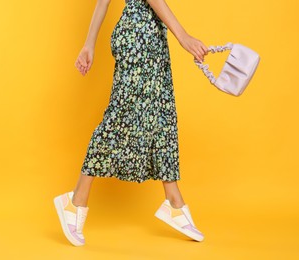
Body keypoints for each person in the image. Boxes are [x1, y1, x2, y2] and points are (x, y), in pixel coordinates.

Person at [54, 0, 208, 246]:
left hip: (152, 35)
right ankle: (75, 201)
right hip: (139, 36)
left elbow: (102, 2)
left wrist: (89, 44)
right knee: (120, 118)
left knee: (161, 113)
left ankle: (174, 200)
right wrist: (184, 37)